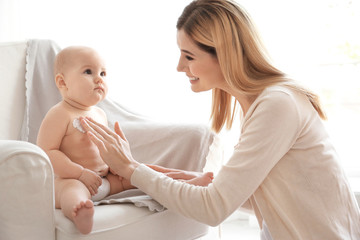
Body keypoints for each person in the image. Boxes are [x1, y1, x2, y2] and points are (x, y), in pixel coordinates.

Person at [80, 0, 360, 239]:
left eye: (189, 56)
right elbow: (286, 196)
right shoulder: (263, 103)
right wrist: (205, 183)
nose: (180, 67)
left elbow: (212, 210)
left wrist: (130, 168)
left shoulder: (278, 105)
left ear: (225, 56)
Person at [37, 46, 214, 235]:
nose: (99, 79)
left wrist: (114, 166)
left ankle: (185, 181)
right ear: (62, 82)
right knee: (70, 191)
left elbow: (101, 150)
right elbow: (46, 152)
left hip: (106, 180)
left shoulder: (99, 113)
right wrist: (79, 174)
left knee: (144, 172)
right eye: (88, 72)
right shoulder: (59, 114)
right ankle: (80, 211)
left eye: (103, 73)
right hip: (74, 180)